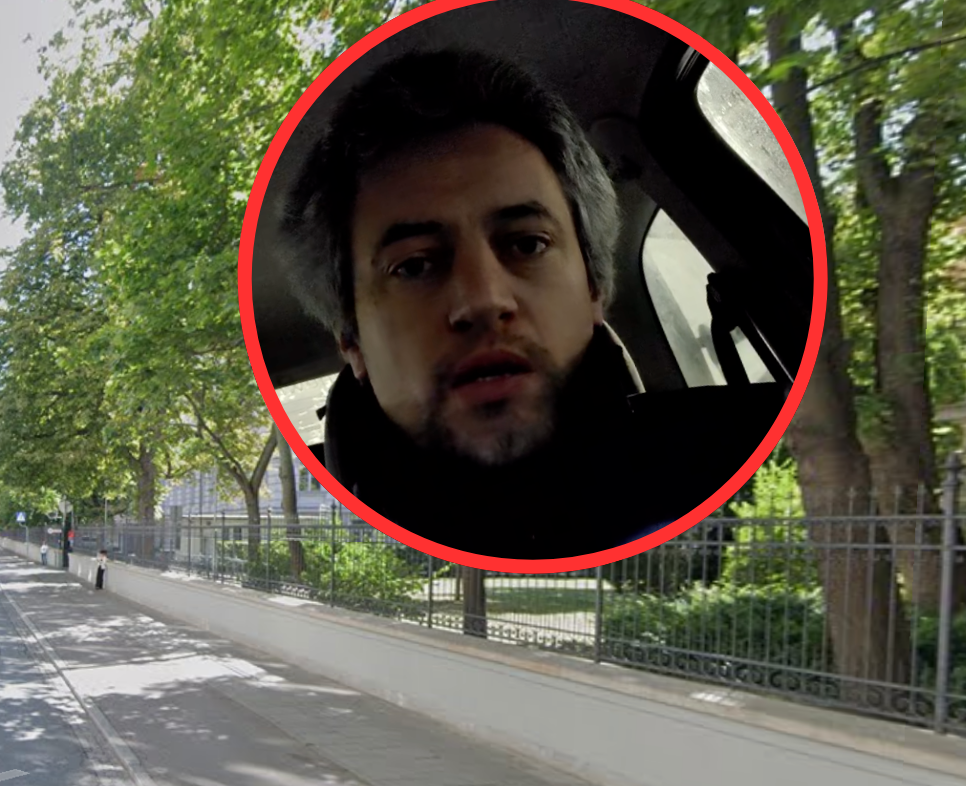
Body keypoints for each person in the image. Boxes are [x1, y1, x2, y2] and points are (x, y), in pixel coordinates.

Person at [279, 47, 780, 558]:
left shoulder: (754, 452)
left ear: (593, 289)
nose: (484, 299)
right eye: (413, 266)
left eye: (527, 244)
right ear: (352, 341)